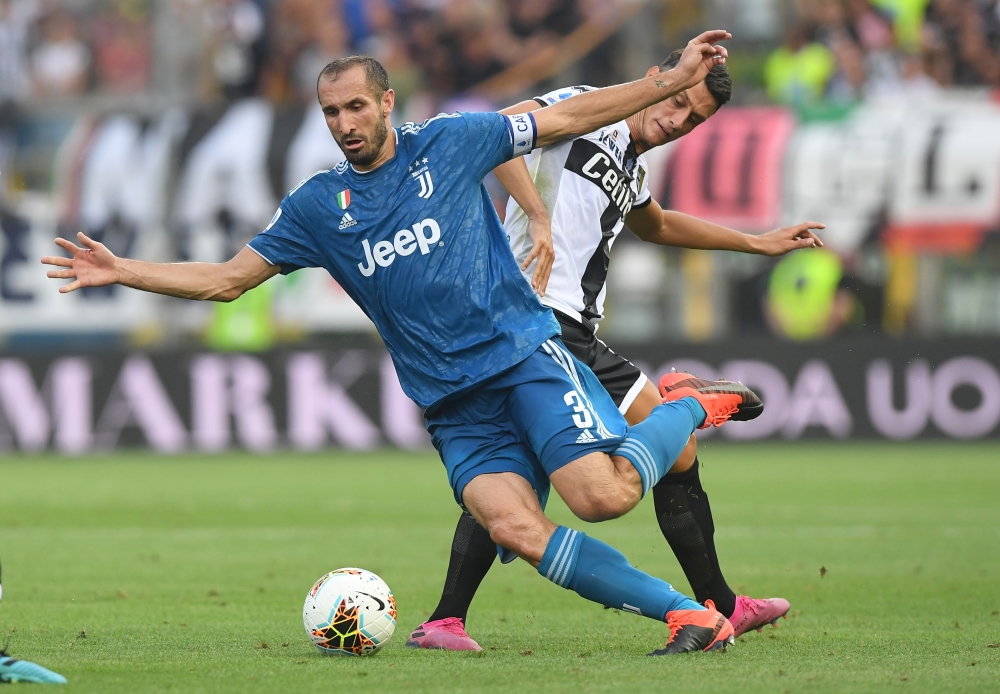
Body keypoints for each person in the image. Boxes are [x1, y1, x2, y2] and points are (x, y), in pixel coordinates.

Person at [43, 33, 758, 654]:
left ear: (387, 104)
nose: (344, 124)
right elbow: (228, 280)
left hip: (521, 357)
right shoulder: (318, 207)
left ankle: (685, 409)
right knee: (515, 527)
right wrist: (122, 270)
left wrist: (664, 83)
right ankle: (686, 614)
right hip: (453, 406)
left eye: (356, 106)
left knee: (602, 498)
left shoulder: (448, 144)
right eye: (330, 112)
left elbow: (563, 116)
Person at [406, 51, 826, 652]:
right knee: (660, 450)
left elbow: (655, 225)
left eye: (694, 118)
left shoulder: (631, 165)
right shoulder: (586, 107)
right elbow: (500, 131)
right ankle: (718, 584)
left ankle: (447, 619)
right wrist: (536, 215)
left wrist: (755, 243)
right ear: (659, 82)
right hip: (542, 320)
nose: (680, 119)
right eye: (678, 100)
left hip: (563, 327)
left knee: (513, 470)